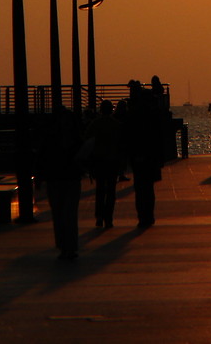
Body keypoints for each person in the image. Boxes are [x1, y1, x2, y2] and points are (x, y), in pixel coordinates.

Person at [34, 106, 83, 260]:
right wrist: (39, 177)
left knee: (68, 214)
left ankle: (68, 246)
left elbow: (41, 158)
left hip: (68, 179)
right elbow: (42, 159)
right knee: (60, 214)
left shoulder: (69, 140)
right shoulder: (57, 139)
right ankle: (64, 245)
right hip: (57, 179)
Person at [127, 80, 164, 227]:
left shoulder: (134, 113)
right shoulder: (154, 115)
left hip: (139, 156)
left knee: (140, 189)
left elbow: (130, 135)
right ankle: (148, 215)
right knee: (148, 189)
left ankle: (143, 216)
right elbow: (158, 137)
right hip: (150, 156)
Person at [85, 99, 122, 228]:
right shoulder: (116, 125)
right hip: (112, 160)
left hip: (99, 160)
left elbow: (87, 140)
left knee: (100, 189)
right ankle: (108, 217)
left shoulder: (95, 124)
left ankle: (99, 216)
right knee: (111, 190)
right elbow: (121, 144)